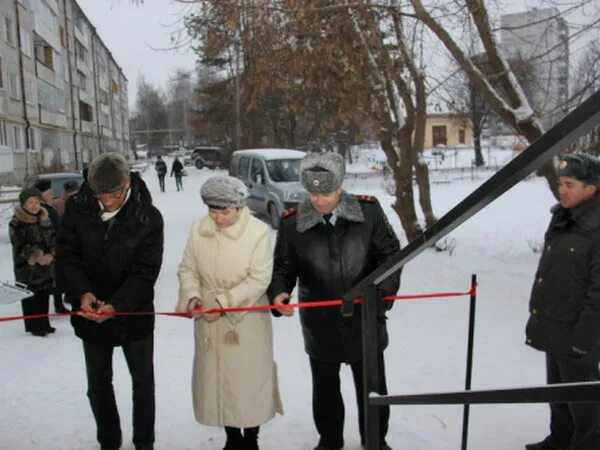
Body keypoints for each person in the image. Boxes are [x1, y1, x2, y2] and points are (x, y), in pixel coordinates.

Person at [267, 152, 401, 450]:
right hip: (320, 324)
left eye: (326, 192)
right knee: (325, 390)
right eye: (312, 192)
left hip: (365, 321)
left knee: (372, 388)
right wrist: (279, 292)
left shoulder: (368, 212)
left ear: (340, 186)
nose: (319, 200)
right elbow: (284, 267)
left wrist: (381, 294)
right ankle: (329, 440)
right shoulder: (293, 223)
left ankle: (376, 440)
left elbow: (391, 255)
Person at [56, 152, 164, 450]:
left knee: (142, 382)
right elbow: (67, 256)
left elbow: (145, 272)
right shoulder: (77, 208)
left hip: (134, 311)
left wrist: (116, 305)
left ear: (127, 183)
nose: (107, 201)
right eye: (100, 194)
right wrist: (82, 293)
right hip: (90, 311)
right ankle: (109, 441)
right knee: (98, 384)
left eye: (114, 193)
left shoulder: (148, 216)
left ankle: (144, 442)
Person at [176, 175, 282, 450]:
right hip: (208, 319)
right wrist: (194, 297)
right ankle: (232, 439)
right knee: (219, 382)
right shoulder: (198, 230)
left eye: (225, 211)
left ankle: (252, 439)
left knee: (247, 382)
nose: (219, 218)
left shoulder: (257, 232)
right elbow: (188, 269)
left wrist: (224, 303)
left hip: (245, 318)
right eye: (213, 211)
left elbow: (260, 278)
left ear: (239, 207)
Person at [525, 153, 600, 450]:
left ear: (591, 188)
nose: (562, 190)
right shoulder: (564, 216)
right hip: (555, 324)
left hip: (579, 333)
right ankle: (560, 440)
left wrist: (585, 337)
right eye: (560, 183)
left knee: (587, 407)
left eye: (570, 184)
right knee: (558, 392)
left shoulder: (596, 228)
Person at [9, 187, 56, 336]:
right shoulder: (16, 222)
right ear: (23, 204)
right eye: (31, 202)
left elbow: (53, 238)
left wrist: (51, 254)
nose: (34, 205)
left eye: (36, 202)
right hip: (27, 267)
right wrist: (36, 255)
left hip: (45, 265)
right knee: (30, 295)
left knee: (44, 293)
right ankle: (34, 326)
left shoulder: (44, 218)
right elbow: (18, 244)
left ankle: (44, 322)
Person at [35, 179, 70, 313]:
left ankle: (58, 303)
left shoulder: (50, 207)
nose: (52, 195)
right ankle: (57, 304)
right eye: (49, 193)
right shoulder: (42, 209)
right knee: (53, 279)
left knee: (58, 278)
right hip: (49, 248)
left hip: (56, 246)